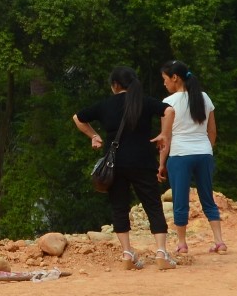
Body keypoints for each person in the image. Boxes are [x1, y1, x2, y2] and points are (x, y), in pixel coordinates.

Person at [72, 66, 174, 268]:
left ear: (115, 85)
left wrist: (94, 136)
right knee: (152, 205)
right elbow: (169, 110)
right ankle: (161, 253)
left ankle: (127, 254)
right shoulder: (143, 101)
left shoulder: (106, 105)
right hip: (143, 161)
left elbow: (78, 118)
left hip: (115, 164)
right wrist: (164, 133)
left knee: (119, 206)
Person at [158, 60, 226, 255]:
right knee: (207, 197)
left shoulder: (168, 103)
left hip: (180, 154)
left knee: (180, 199)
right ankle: (219, 241)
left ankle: (181, 243)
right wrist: (207, 149)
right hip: (204, 152)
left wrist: (162, 163)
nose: (164, 84)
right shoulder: (204, 97)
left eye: (165, 79)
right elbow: (212, 130)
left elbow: (166, 137)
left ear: (175, 78)